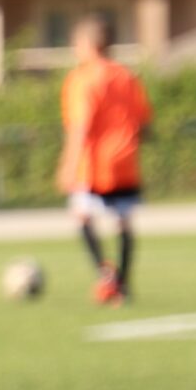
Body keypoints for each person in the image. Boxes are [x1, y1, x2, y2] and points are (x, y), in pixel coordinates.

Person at [56, 16, 151, 306]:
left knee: (83, 217)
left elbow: (80, 125)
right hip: (125, 160)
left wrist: (68, 166)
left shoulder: (83, 79)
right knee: (123, 223)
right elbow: (144, 122)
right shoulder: (127, 76)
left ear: (87, 44)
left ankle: (106, 276)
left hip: (94, 164)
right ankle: (121, 284)